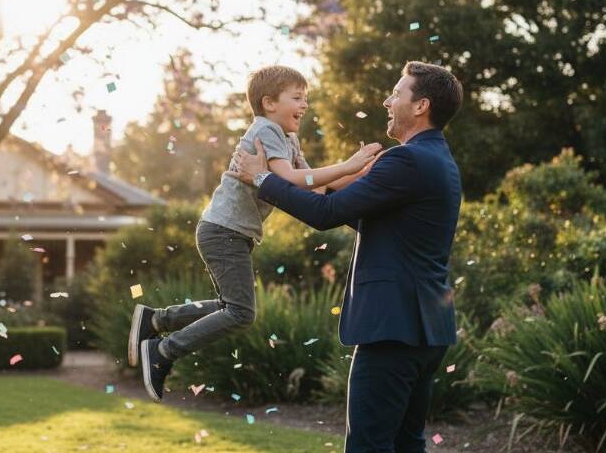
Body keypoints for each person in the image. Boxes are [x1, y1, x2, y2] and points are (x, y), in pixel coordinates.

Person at [230, 61, 463, 453]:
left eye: (397, 92)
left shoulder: (405, 160)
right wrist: (307, 180)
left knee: (368, 446)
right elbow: (352, 212)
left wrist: (262, 179)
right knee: (406, 444)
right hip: (425, 328)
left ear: (420, 106)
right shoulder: (438, 160)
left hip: (394, 326)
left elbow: (325, 216)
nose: (388, 101)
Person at [128, 64, 383, 402]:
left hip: (230, 232)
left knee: (230, 307)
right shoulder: (265, 130)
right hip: (223, 231)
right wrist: (349, 164)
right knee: (240, 313)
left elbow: (317, 187)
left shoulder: (287, 138)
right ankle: (163, 351)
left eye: (305, 97)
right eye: (297, 97)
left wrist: (364, 173)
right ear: (269, 103)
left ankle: (156, 320)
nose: (305, 105)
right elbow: (288, 181)